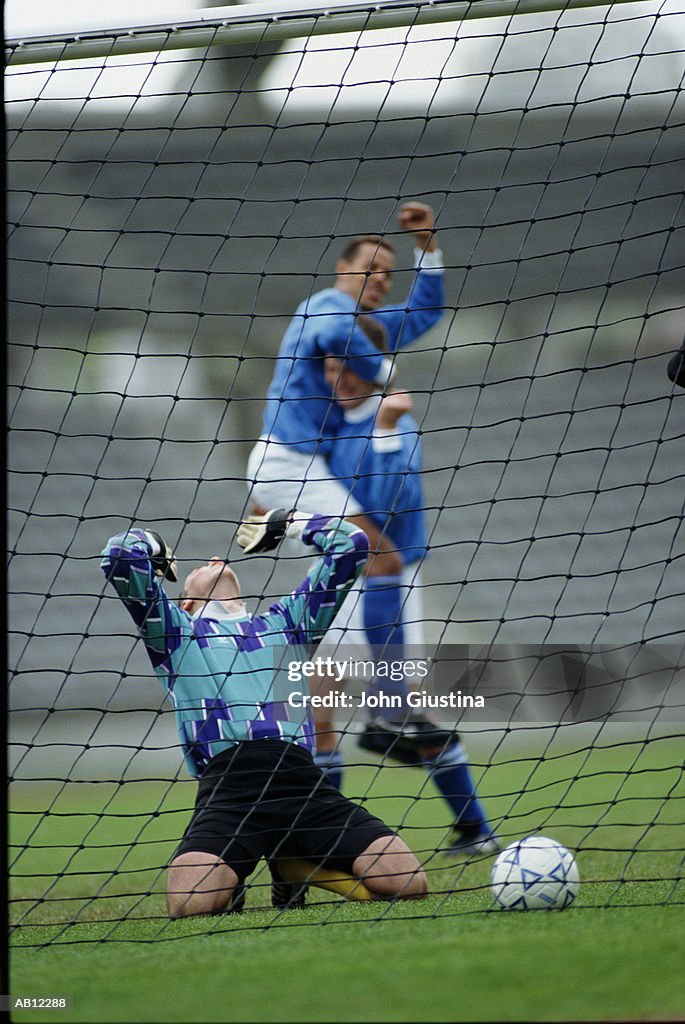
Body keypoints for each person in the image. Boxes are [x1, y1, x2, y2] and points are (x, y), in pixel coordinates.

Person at [100, 511, 427, 918]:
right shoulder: (175, 632)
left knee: (408, 882)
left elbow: (352, 545)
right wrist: (154, 548)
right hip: (230, 791)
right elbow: (118, 555)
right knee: (189, 904)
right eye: (202, 568)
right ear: (185, 601)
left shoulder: (288, 623)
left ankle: (297, 864)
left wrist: (287, 522)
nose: (217, 560)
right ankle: (242, 876)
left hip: (303, 784)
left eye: (220, 562)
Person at [312, 354, 499, 858]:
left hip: (388, 581)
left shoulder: (394, 421)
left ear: (373, 368)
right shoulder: (323, 423)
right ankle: (327, 839)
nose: (339, 378)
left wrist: (388, 428)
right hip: (343, 578)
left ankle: (475, 828)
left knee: (408, 710)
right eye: (330, 368)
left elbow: (394, 501)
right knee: (319, 706)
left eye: (348, 367)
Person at [246, 200, 445, 573]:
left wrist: (425, 242)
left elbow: (426, 312)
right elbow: (334, 333)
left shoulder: (364, 325)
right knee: (381, 558)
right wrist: (382, 371)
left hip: (311, 464)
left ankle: (286, 522)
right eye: (371, 268)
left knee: (345, 562)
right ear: (342, 269)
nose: (381, 279)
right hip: (289, 461)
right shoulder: (324, 306)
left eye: (388, 274)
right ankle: (287, 522)